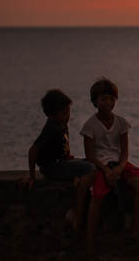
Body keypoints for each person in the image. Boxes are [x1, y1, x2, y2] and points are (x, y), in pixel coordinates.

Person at [80, 77, 139, 261]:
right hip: (100, 166)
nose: (108, 103)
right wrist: (106, 171)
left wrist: (119, 168)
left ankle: (135, 231)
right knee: (97, 198)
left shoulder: (121, 123)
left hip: (118, 165)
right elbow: (90, 156)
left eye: (111, 99)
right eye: (103, 99)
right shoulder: (90, 126)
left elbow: (125, 152)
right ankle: (89, 246)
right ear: (95, 102)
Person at [26, 89, 96, 232]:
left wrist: (73, 165)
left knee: (89, 163)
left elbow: (63, 152)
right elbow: (33, 150)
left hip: (59, 163)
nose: (67, 116)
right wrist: (32, 176)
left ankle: (77, 181)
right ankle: (77, 213)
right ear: (52, 115)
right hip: (51, 167)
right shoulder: (51, 127)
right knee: (90, 168)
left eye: (68, 112)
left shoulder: (61, 125)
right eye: (64, 113)